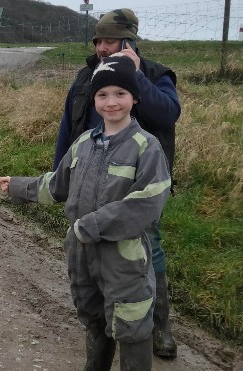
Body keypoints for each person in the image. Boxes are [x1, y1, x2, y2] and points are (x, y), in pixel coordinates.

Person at [0, 54, 172, 371]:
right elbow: (57, 185)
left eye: (120, 94)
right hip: (82, 255)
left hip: (124, 259)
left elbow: (148, 203)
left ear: (134, 98)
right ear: (94, 100)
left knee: (132, 326)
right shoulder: (82, 145)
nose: (111, 102)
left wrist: (90, 225)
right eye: (102, 95)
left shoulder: (147, 147)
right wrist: (17, 187)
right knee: (93, 317)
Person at [52, 8, 180, 359]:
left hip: (134, 187)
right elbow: (69, 129)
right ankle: (104, 318)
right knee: (94, 248)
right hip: (88, 182)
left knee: (145, 247)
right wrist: (60, 176)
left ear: (129, 40)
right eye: (98, 41)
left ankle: (157, 325)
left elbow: (168, 114)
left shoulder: (154, 74)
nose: (102, 48)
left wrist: (136, 76)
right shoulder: (85, 78)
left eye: (110, 40)